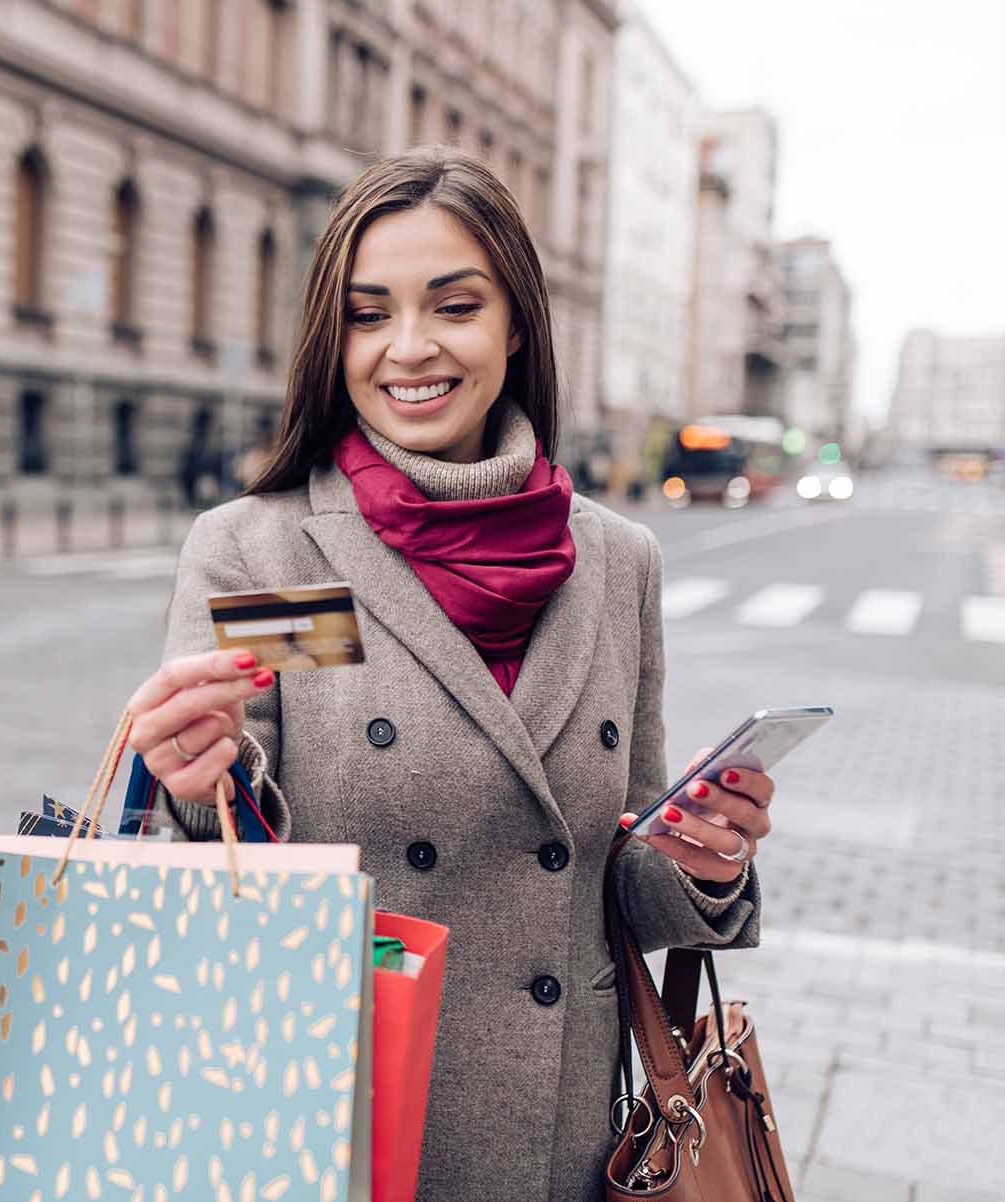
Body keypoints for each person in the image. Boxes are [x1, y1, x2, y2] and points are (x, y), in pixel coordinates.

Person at [120, 150, 773, 1202]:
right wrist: (203, 786)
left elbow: (620, 883)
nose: (408, 348)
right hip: (333, 1123)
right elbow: (221, 871)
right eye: (369, 314)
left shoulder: (617, 565)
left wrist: (704, 856)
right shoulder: (264, 553)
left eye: (454, 305)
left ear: (517, 322)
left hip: (560, 1143)